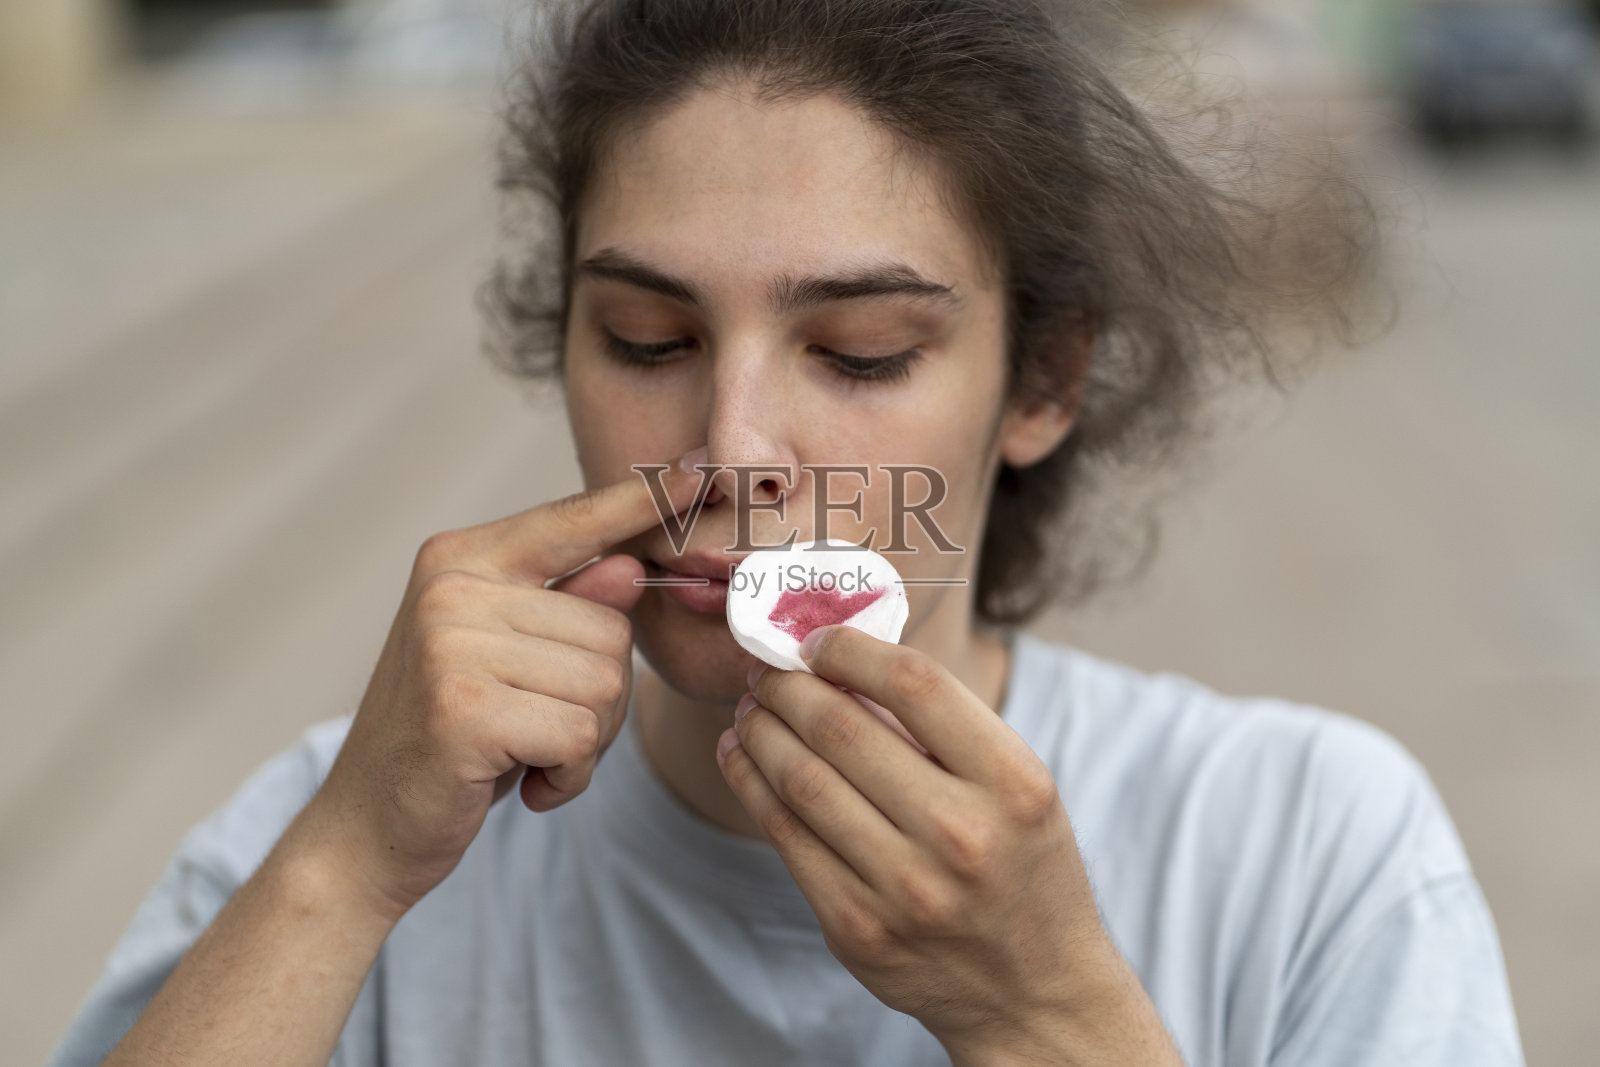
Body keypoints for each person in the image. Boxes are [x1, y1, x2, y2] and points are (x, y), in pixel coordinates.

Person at [47, 1, 1525, 1064]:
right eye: (644, 336)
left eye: (862, 352)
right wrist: (340, 873)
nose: (733, 443)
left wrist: (1044, 1019)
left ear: (1045, 379)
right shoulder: (338, 835)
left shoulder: (1310, 850)